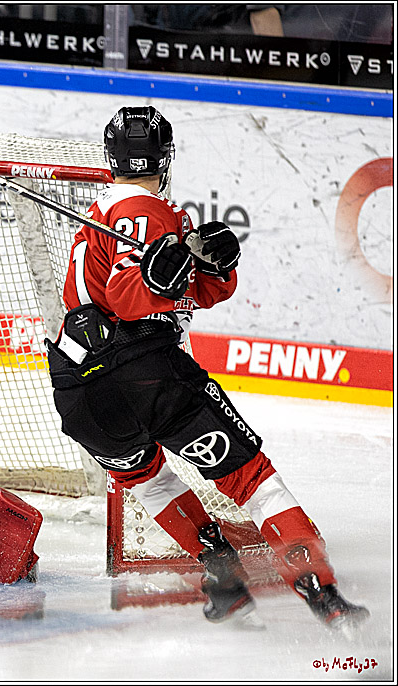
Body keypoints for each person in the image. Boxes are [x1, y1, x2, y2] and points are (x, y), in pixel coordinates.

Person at [46, 106, 369, 630]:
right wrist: (156, 278)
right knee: (252, 479)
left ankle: (226, 585)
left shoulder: (111, 214)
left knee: (148, 481)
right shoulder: (141, 208)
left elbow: (193, 291)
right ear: (166, 157)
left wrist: (213, 265)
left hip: (81, 395)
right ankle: (323, 594)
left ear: (111, 157)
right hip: (143, 372)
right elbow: (131, 299)